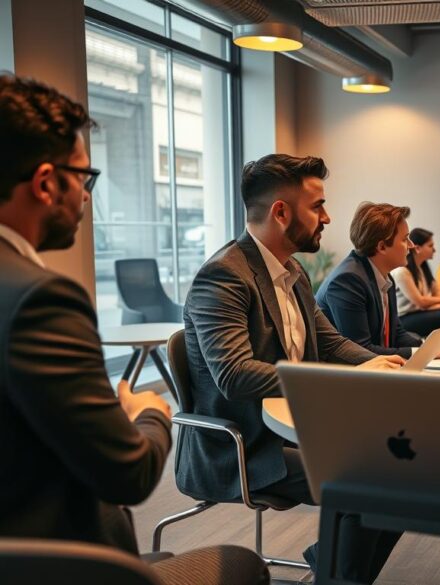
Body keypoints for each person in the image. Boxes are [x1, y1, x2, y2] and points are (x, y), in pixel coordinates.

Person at [0, 73, 269, 584]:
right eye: (85, 177)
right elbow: (129, 475)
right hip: (65, 564)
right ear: (44, 183)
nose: (85, 197)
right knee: (242, 567)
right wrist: (150, 414)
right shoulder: (40, 299)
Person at [181, 154, 405, 582]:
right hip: (245, 446)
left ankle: (333, 565)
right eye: (317, 206)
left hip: (296, 427)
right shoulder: (223, 277)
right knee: (374, 482)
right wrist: (342, 379)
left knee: (399, 469)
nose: (327, 216)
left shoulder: (292, 270)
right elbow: (234, 374)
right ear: (281, 213)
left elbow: (329, 341)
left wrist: (378, 362)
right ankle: (334, 569)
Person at [317, 204, 440, 359]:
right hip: (344, 377)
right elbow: (360, 350)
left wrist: (428, 346)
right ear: (382, 246)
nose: (411, 246)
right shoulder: (347, 281)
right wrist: (424, 352)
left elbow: (396, 334)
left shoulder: (385, 276)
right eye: (405, 239)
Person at [391, 227, 440, 338]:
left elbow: (439, 292)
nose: (434, 250)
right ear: (418, 248)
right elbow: (421, 302)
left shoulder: (423, 268)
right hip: (404, 319)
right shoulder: (402, 271)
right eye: (430, 246)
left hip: (419, 314)